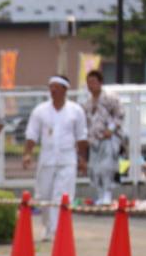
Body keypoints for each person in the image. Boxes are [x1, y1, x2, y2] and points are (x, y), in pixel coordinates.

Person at [22, 75, 87, 241]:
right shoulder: (40, 110)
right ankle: (47, 226)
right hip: (47, 159)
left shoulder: (76, 111)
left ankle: (57, 231)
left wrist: (82, 158)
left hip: (67, 159)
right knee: (45, 196)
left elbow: (81, 136)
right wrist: (28, 154)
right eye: (51, 87)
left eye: (56, 87)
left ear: (65, 89)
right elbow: (32, 134)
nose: (53, 90)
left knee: (62, 195)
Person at [83, 69, 123, 206]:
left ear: (100, 83)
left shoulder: (111, 98)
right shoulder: (87, 103)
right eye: (88, 82)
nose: (91, 85)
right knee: (94, 168)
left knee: (107, 167)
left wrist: (111, 129)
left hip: (108, 138)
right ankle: (99, 194)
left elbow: (120, 114)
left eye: (93, 82)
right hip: (94, 139)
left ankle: (107, 194)